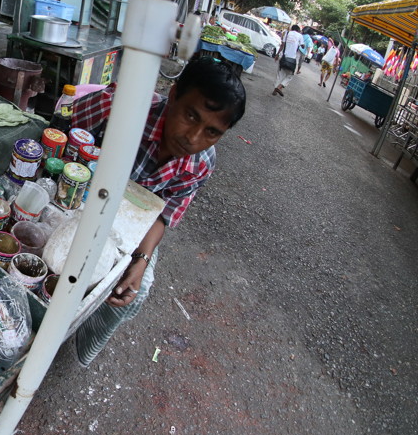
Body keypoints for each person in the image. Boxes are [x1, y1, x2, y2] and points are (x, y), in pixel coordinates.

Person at [68, 55, 247, 366]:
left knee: (137, 283)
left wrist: (141, 259)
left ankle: (83, 337)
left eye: (212, 132)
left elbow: (163, 214)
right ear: (174, 95)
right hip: (78, 194)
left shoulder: (202, 163)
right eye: (191, 116)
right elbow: (66, 135)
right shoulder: (123, 108)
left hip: (133, 221)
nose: (194, 138)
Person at [274, 24, 304, 96]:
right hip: (292, 59)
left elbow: (282, 45)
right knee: (290, 75)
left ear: (292, 29)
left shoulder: (287, 33)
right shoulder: (300, 36)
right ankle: (280, 86)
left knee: (280, 74)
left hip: (283, 57)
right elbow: (303, 46)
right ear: (298, 30)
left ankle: (275, 90)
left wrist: (277, 54)